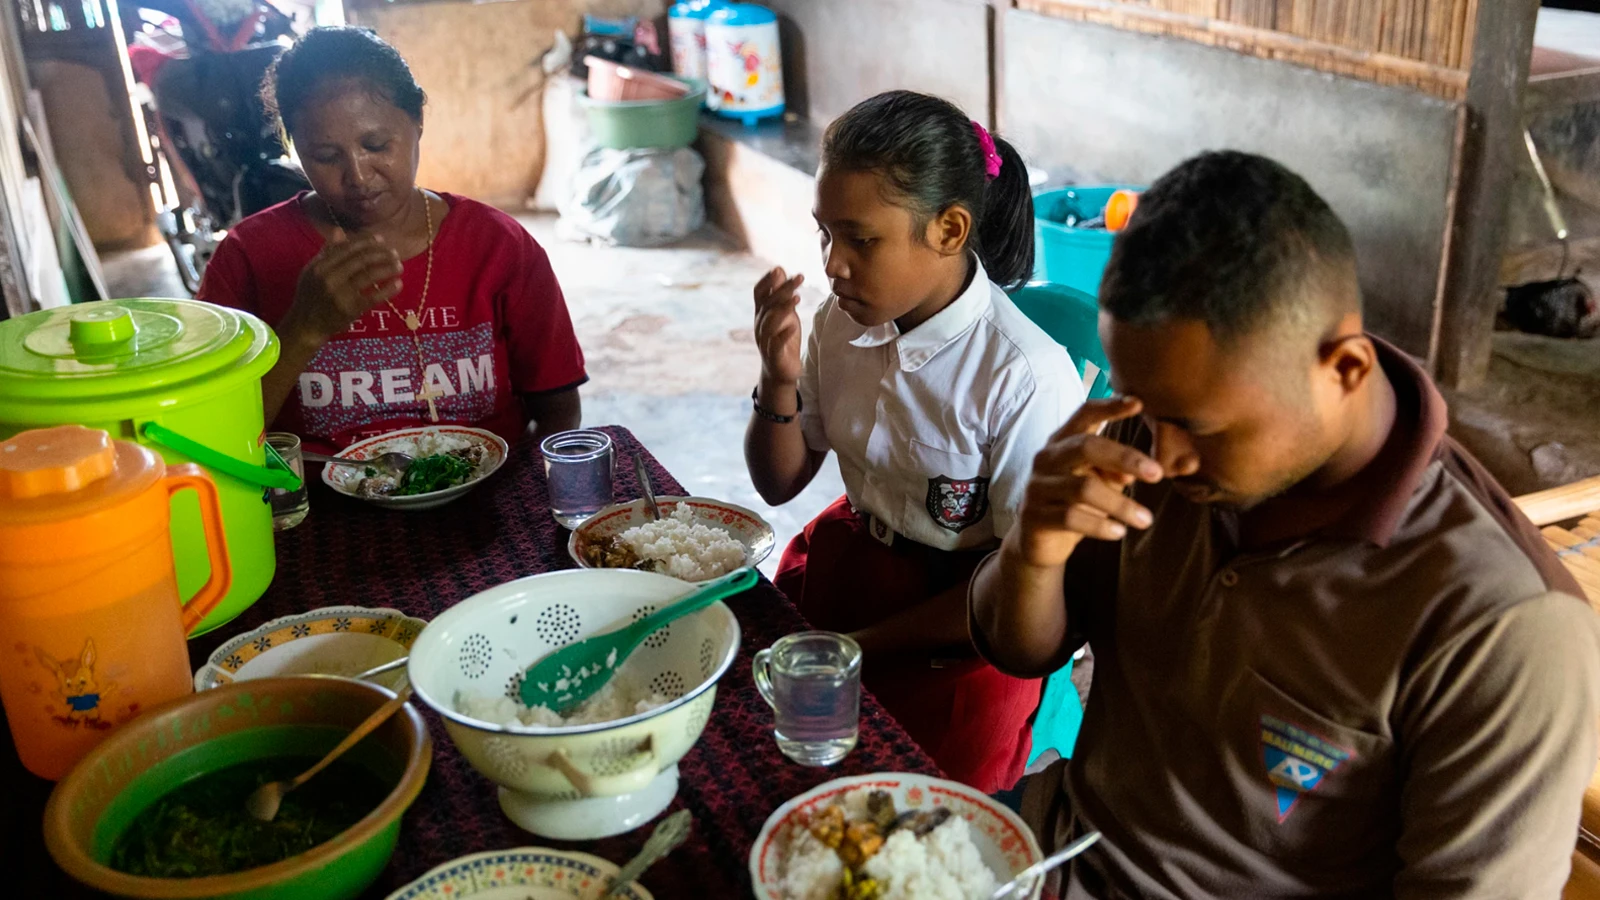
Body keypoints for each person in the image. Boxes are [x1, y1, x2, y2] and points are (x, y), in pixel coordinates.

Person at [970, 151, 1600, 897]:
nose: (1161, 456)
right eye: (1141, 405)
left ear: (1345, 371)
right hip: (1053, 854)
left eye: (1196, 426)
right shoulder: (1154, 429)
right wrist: (1036, 551)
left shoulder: (1502, 626)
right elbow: (1016, 649)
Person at [745, 91, 1084, 792]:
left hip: (965, 623)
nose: (834, 264)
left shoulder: (1023, 378)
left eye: (859, 239)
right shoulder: (840, 323)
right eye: (825, 234)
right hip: (851, 569)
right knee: (787, 767)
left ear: (951, 230)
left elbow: (1024, 590)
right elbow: (778, 482)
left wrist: (860, 649)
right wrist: (778, 382)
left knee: (918, 813)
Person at [199, 26, 585, 453]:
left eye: (377, 145)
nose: (359, 177)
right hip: (318, 507)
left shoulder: (497, 245)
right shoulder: (248, 256)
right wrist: (303, 329)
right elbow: (209, 436)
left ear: (417, 118)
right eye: (325, 156)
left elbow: (559, 411)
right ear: (293, 145)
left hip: (485, 501)